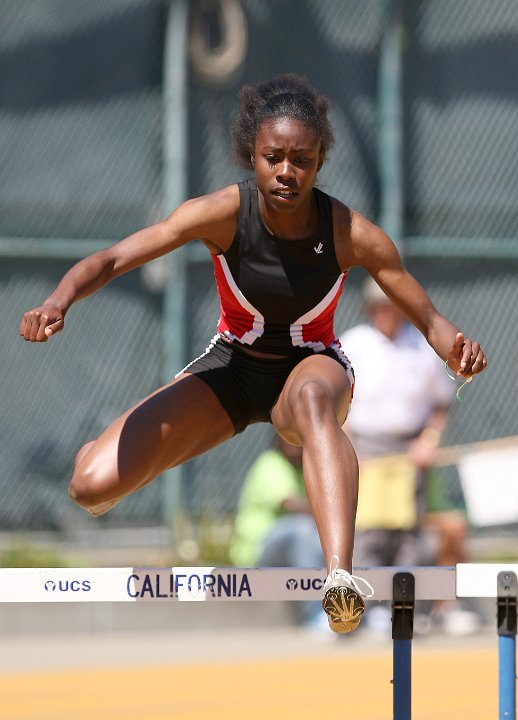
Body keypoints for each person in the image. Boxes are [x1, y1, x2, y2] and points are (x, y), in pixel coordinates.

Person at [18, 73, 487, 634]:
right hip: (232, 370)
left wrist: (454, 350)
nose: (287, 172)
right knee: (90, 488)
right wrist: (58, 299)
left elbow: (431, 321)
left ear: (319, 163)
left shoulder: (350, 233)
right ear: (252, 156)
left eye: (302, 161)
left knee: (314, 398)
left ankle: (340, 578)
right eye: (273, 158)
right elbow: (116, 258)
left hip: (310, 367)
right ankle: (102, 447)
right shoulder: (219, 213)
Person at [340, 278, 480, 635]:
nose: (388, 313)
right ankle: (369, 608)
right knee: (369, 531)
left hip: (409, 448)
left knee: (409, 532)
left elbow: (441, 401)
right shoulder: (353, 343)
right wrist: (347, 448)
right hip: (364, 446)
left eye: (393, 306)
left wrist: (428, 441)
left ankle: (405, 606)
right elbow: (337, 400)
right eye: (381, 306)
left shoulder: (420, 347)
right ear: (370, 309)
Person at [230, 436, 326, 630]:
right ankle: (313, 614)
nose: (296, 445)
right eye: (291, 439)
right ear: (280, 441)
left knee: (321, 534)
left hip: (288, 550)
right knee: (304, 528)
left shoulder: (303, 467)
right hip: (256, 549)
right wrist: (333, 516)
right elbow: (291, 503)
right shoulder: (271, 463)